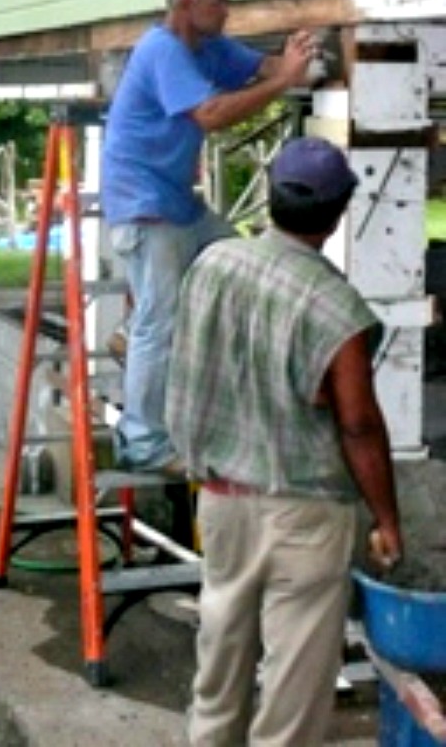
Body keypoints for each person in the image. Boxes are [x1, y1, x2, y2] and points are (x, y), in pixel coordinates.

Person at [166, 136, 402, 746]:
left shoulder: (212, 265)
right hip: (304, 515)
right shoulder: (335, 308)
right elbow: (357, 424)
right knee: (291, 700)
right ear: (339, 210)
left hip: (220, 500)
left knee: (218, 676)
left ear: (270, 198)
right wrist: (386, 518)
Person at [101, 0, 318, 472]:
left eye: (228, 0)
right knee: (164, 321)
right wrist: (284, 82)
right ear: (185, 2)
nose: (227, 9)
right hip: (144, 205)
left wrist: (295, 58)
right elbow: (211, 115)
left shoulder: (208, 49)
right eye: (218, 0)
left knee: (236, 256)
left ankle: (129, 334)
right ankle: (143, 443)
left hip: (176, 201)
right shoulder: (164, 50)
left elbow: (260, 68)